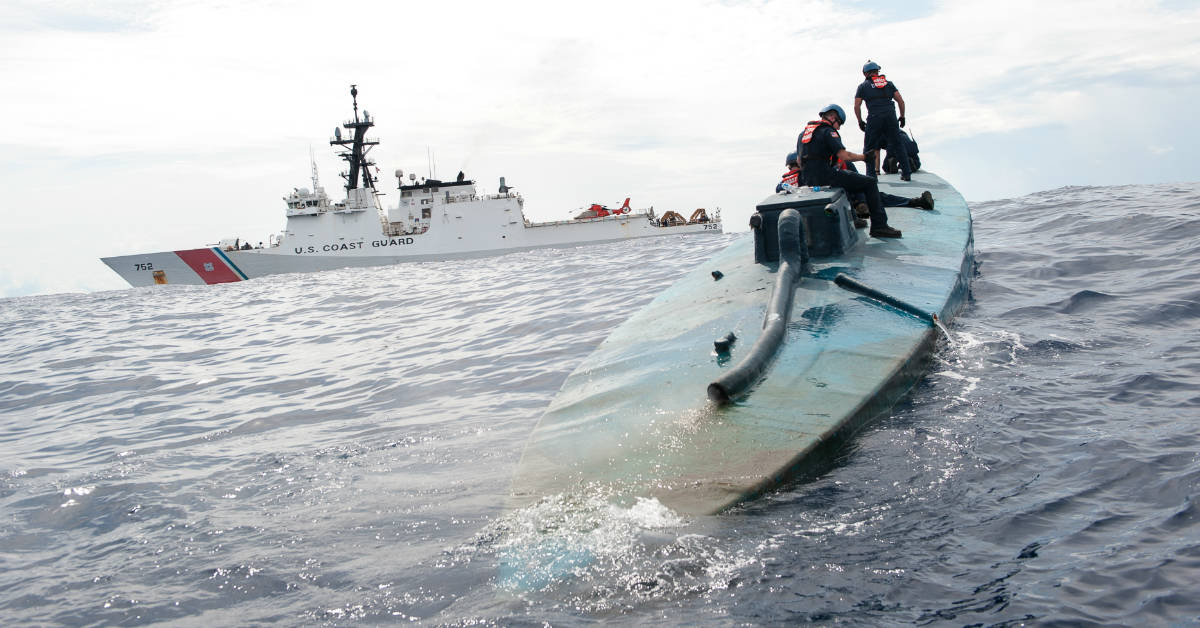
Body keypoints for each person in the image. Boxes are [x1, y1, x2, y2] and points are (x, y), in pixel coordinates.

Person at [797, 103, 902, 238]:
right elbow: (844, 156)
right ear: (833, 117)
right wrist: (864, 157)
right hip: (825, 175)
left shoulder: (803, 133)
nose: (839, 127)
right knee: (869, 183)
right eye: (839, 123)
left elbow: (799, 161)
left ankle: (853, 219)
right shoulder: (828, 131)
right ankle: (879, 226)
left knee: (845, 182)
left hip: (807, 179)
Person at [854, 61, 912, 181]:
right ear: (877, 72)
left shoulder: (862, 87)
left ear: (865, 73)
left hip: (874, 118)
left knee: (869, 147)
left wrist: (860, 121)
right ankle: (906, 173)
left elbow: (857, 105)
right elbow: (901, 101)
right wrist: (902, 116)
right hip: (890, 116)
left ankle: (871, 176)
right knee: (898, 144)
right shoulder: (889, 84)